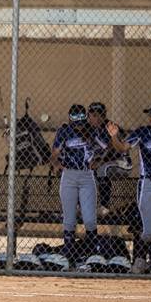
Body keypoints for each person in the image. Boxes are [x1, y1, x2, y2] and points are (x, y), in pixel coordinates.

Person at [107, 102, 151, 274]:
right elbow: (123, 147)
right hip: (150, 184)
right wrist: (114, 136)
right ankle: (139, 259)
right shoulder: (143, 132)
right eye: (150, 114)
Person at [51, 104, 103, 265]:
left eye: (81, 118)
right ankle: (69, 254)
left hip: (87, 176)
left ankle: (92, 252)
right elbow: (54, 154)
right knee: (69, 218)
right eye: (75, 119)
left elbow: (107, 148)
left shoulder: (92, 131)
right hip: (69, 175)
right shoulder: (64, 131)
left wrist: (98, 161)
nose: (79, 123)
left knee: (89, 219)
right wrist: (58, 166)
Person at [87, 102, 130, 218]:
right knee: (86, 172)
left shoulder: (110, 127)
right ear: (88, 115)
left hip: (121, 163)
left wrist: (99, 162)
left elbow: (114, 150)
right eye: (94, 115)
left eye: (101, 115)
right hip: (101, 163)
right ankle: (84, 207)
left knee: (102, 169)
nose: (98, 118)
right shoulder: (87, 129)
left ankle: (104, 207)